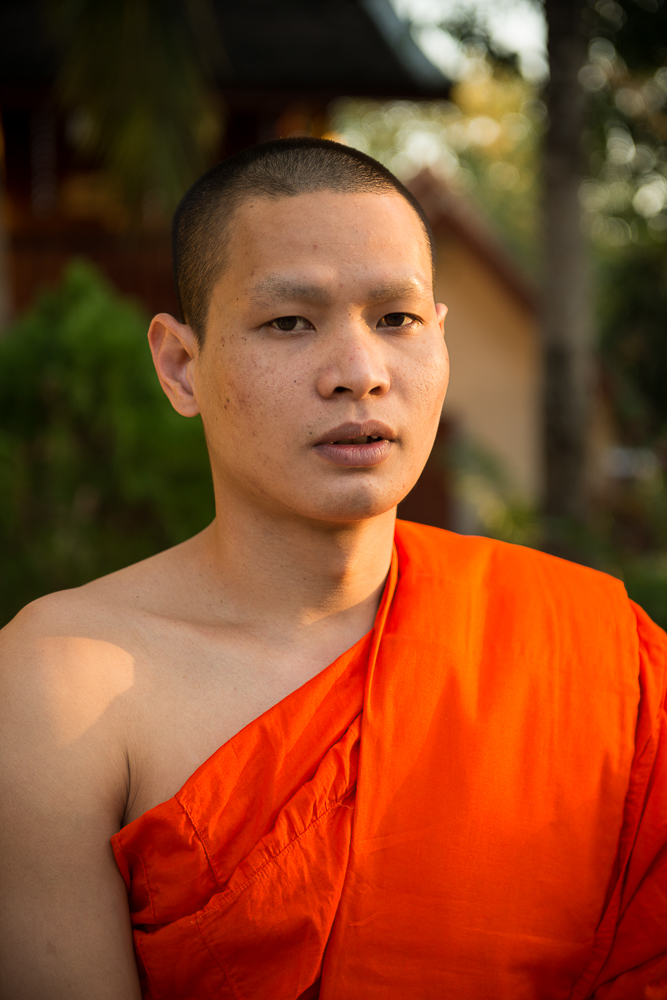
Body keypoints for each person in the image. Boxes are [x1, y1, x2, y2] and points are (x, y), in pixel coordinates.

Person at [0, 137, 665, 1000]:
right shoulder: (60, 687)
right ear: (179, 365)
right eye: (289, 322)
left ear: (439, 341)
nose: (359, 374)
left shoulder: (593, 653)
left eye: (396, 319)